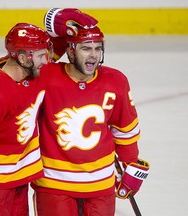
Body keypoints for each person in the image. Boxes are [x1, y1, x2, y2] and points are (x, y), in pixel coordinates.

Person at [0, 9, 98, 216]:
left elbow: (59, 45)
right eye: (41, 55)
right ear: (24, 58)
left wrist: (65, 21)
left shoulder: (31, 70)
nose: (47, 61)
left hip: (18, 178)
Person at [31, 11, 150, 216]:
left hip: (100, 185)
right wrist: (54, 30)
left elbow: (125, 129)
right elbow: (19, 66)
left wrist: (131, 163)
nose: (93, 55)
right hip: (53, 184)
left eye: (97, 48)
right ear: (70, 51)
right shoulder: (47, 77)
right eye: (86, 48)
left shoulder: (115, 80)